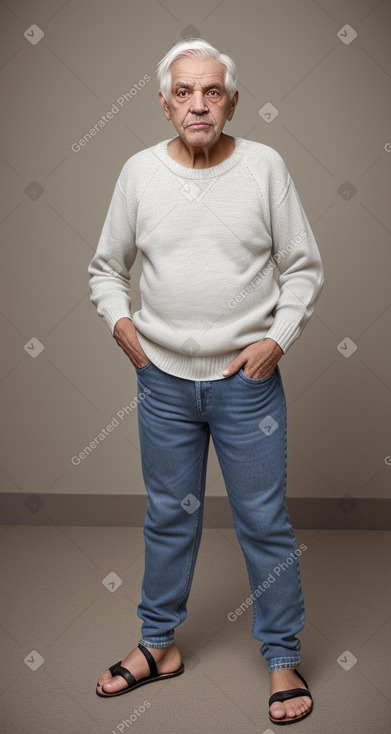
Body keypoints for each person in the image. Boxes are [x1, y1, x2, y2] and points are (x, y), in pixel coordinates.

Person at [90, 38, 324, 725]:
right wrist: (120, 323)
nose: (199, 104)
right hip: (161, 382)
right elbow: (106, 268)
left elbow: (303, 267)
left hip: (245, 384)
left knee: (263, 523)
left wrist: (275, 341)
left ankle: (281, 657)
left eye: (212, 91)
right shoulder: (137, 173)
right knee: (168, 518)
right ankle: (157, 646)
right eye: (184, 92)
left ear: (231, 103)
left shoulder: (263, 168)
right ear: (165, 105)